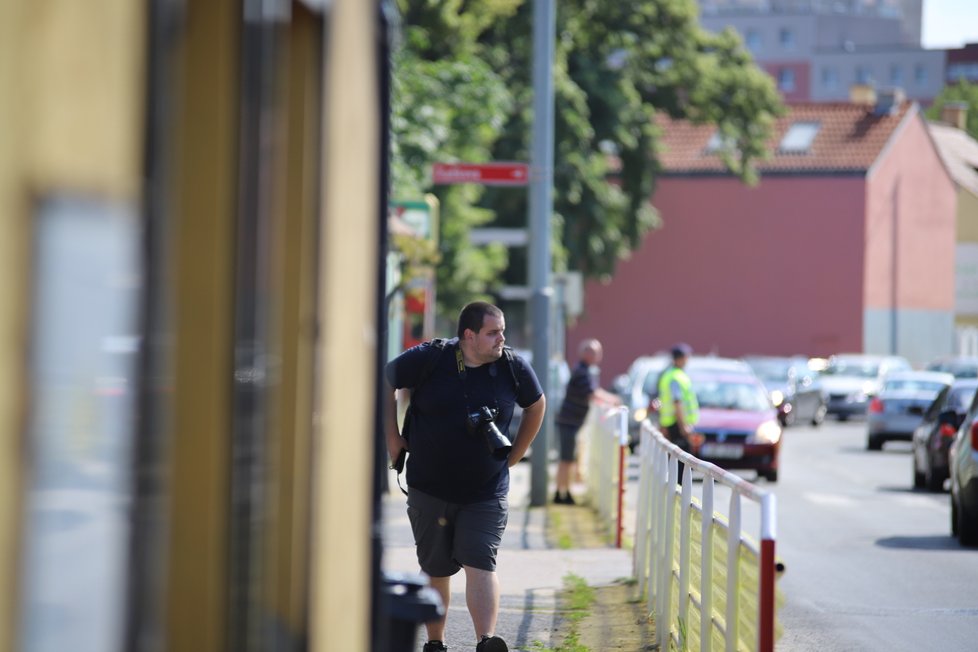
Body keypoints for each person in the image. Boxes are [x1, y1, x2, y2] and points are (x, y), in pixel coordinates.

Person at [385, 301, 546, 652]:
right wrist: (393, 437)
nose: (501, 338)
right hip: (429, 487)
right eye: (493, 332)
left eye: (502, 331)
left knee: (480, 560)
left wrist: (515, 455)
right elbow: (385, 381)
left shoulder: (513, 366)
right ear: (469, 335)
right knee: (436, 567)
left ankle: (485, 641)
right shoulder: (430, 358)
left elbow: (536, 405)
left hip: (486, 491)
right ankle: (435, 642)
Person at [553, 338, 621, 505]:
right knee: (566, 459)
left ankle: (562, 491)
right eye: (596, 352)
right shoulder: (583, 371)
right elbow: (593, 393)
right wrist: (614, 400)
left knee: (568, 458)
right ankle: (562, 493)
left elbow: (593, 393)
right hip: (570, 422)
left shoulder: (584, 370)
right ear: (587, 354)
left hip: (572, 421)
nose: (599, 355)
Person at [657, 343, 699, 477]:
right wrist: (683, 427)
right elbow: (677, 403)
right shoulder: (676, 377)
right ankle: (680, 496)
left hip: (672, 424)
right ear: (680, 358)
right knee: (681, 467)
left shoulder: (670, 375)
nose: (688, 359)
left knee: (676, 463)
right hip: (677, 426)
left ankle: (677, 494)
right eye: (686, 356)